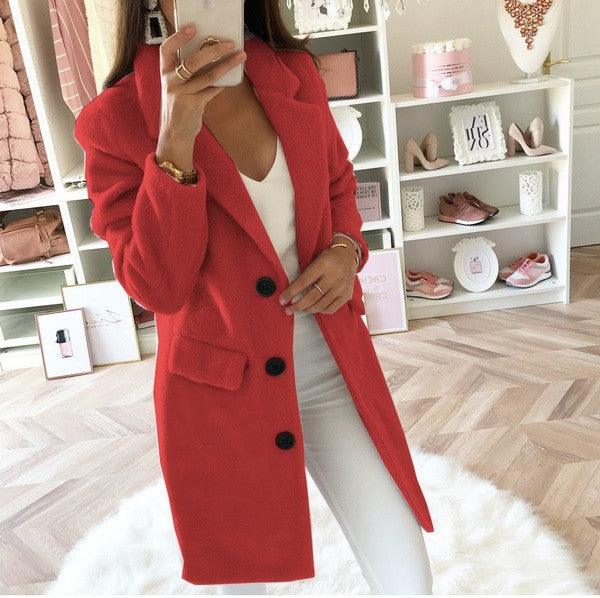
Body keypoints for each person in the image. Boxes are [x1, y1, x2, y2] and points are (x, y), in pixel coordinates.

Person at [73, 0, 435, 594]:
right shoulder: (114, 119)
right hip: (222, 395)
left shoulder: (293, 74)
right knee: (244, 584)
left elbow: (339, 183)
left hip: (332, 367)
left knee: (407, 575)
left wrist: (346, 250)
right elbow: (157, 286)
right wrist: (175, 137)